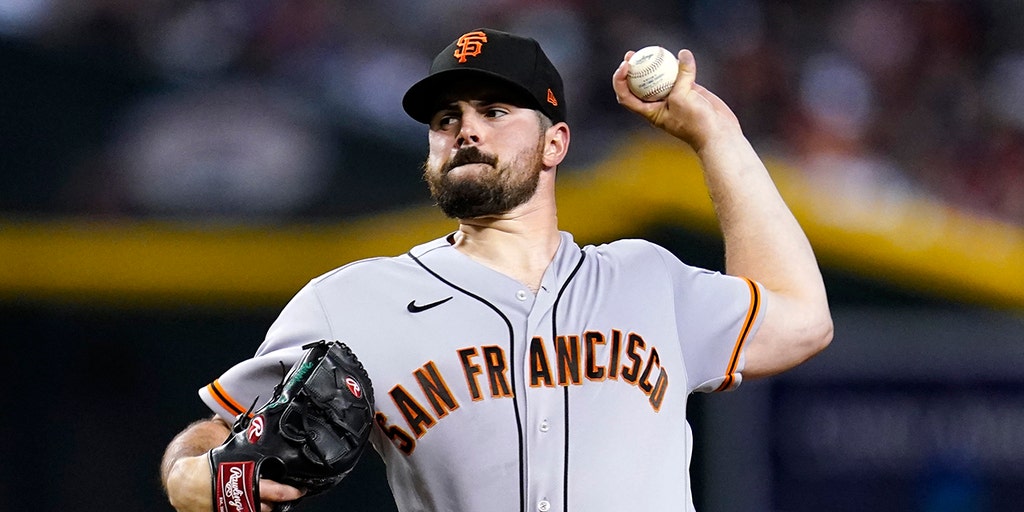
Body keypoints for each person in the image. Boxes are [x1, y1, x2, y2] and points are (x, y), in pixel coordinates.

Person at [161, 28, 833, 512]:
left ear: (556, 142)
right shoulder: (354, 302)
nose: (466, 130)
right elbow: (209, 436)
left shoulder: (647, 279)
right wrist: (193, 479)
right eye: (446, 118)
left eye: (495, 111)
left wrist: (716, 134)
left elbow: (801, 318)